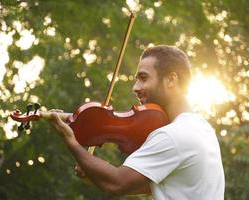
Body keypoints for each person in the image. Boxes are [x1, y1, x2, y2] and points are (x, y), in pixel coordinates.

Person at [50, 45, 225, 199]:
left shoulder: (173, 135)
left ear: (171, 80)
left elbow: (117, 183)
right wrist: (94, 173)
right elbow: (152, 186)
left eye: (143, 78)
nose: (135, 87)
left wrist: (71, 142)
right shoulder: (203, 129)